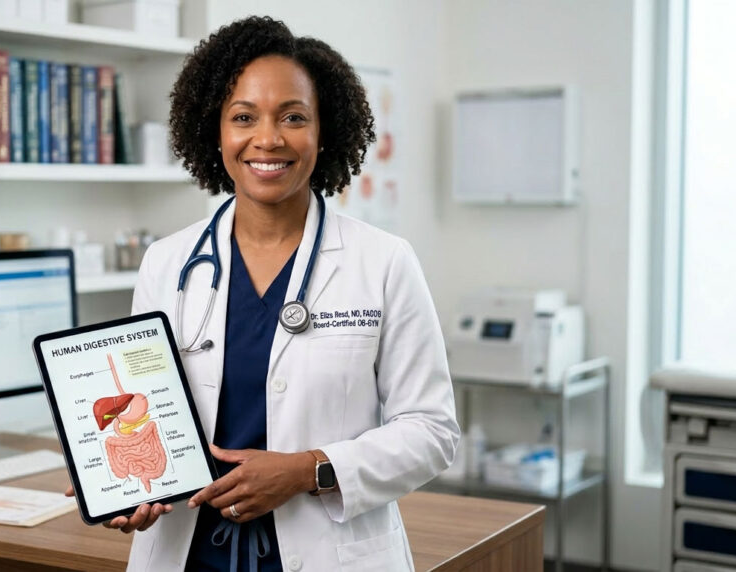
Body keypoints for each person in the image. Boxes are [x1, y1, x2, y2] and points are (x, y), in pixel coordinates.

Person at [66, 15, 459, 571]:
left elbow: (432, 431)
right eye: (243, 117)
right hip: (188, 553)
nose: (268, 139)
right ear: (215, 131)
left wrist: (308, 469)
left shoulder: (384, 262)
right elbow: (144, 412)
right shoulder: (168, 262)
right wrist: (123, 483)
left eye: (293, 117)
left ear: (324, 133)